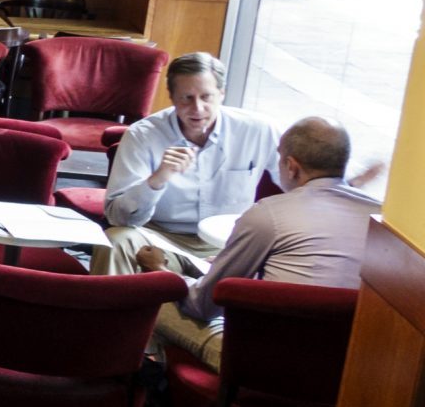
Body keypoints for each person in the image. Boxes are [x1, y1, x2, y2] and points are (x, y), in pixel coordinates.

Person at [145, 117, 371, 369]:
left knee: (156, 301)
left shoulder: (270, 213)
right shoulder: (381, 218)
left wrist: (162, 272)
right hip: (351, 366)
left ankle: (159, 390)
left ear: (291, 166)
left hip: (268, 364)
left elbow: (202, 305)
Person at [101, 52, 280, 276]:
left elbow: (299, 188)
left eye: (206, 97)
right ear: (172, 97)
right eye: (186, 98)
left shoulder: (259, 130)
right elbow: (118, 217)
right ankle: (111, 311)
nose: (197, 108)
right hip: (162, 239)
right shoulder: (142, 135)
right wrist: (157, 180)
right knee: (116, 241)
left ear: (222, 94)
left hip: (231, 243)